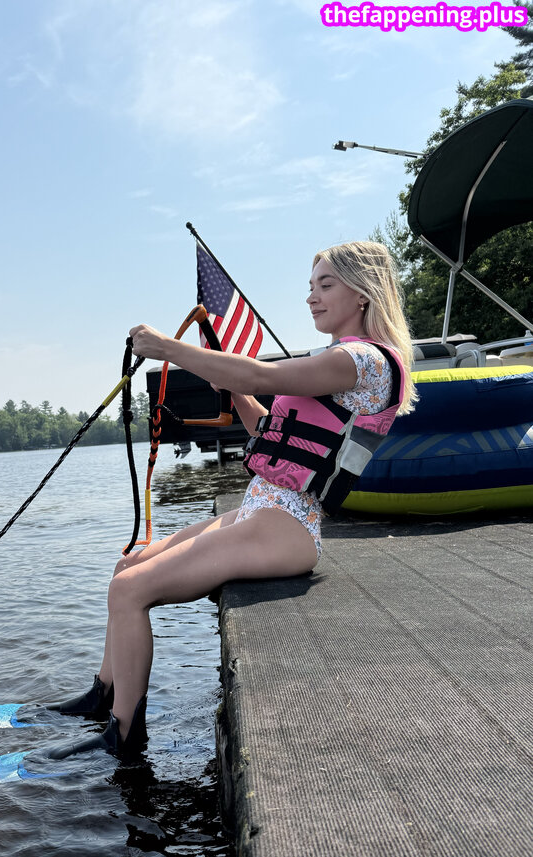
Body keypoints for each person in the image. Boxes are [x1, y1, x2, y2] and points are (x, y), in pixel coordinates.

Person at [50, 240, 417, 761]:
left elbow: (261, 375)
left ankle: (124, 735)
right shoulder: (342, 361)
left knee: (129, 592)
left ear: (362, 294)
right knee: (126, 567)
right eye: (310, 286)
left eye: (325, 285)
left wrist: (170, 349)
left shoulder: (361, 361)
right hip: (262, 511)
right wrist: (219, 374)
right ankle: (103, 693)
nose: (311, 297)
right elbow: (268, 429)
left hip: (286, 524)